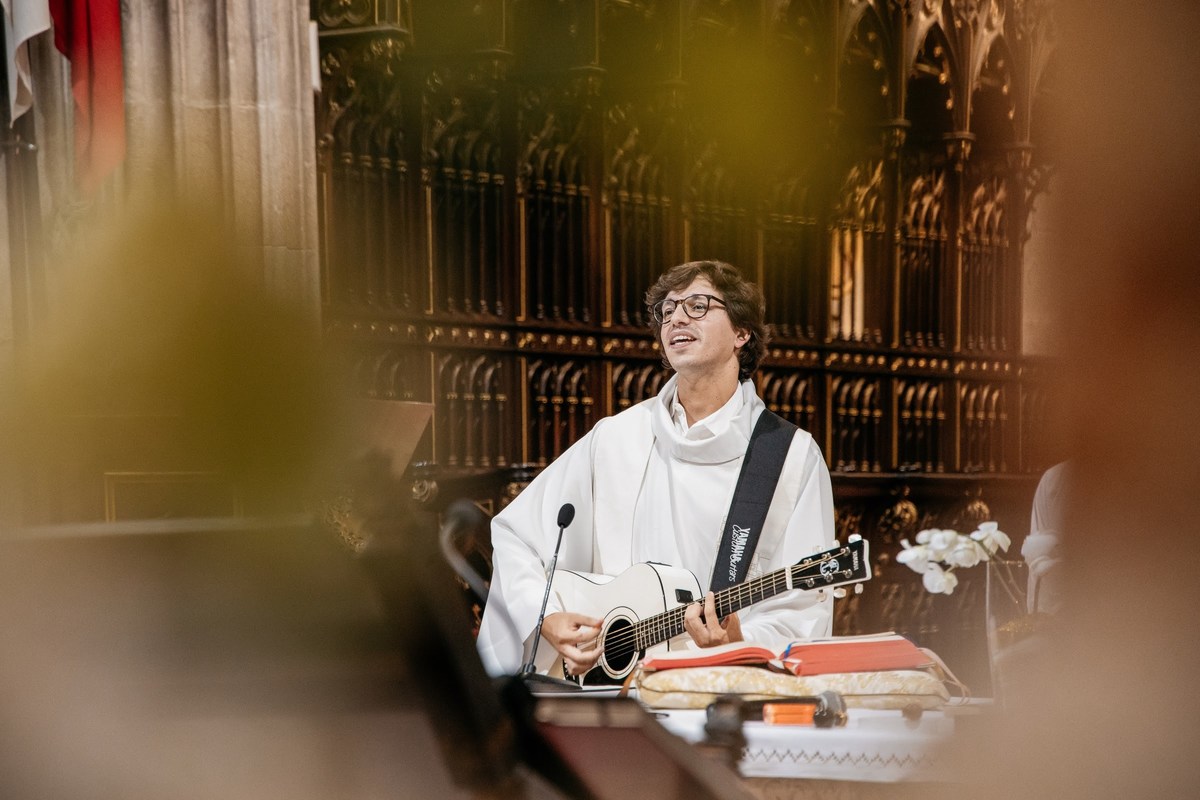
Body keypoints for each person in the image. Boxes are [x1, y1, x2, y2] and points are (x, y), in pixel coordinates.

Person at [476, 260, 836, 678]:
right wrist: (546, 617)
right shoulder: (615, 438)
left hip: (724, 697)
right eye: (667, 310)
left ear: (742, 332)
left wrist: (740, 642)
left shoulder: (788, 457)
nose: (677, 318)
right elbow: (515, 533)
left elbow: (805, 609)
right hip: (611, 689)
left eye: (698, 306)